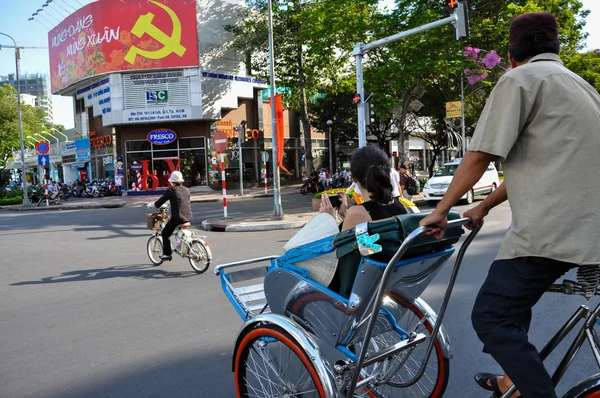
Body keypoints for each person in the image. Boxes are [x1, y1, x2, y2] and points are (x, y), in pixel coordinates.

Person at [420, 12, 600, 398]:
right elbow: (536, 164)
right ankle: (511, 378)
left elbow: (480, 154)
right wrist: (484, 205)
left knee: (491, 315)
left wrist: (441, 209)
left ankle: (527, 390)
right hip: (590, 228)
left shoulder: (518, 80)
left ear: (512, 53)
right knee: (512, 301)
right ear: (557, 47)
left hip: (554, 231)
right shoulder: (584, 87)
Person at [320, 146, 407, 296]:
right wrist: (344, 215)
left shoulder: (358, 213)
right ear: (387, 173)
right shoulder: (400, 207)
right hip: (388, 278)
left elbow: (336, 254)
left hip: (357, 286)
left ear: (354, 179)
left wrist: (327, 219)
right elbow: (367, 244)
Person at [150, 171, 192, 261]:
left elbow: (160, 201)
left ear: (172, 182)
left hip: (177, 218)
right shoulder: (186, 189)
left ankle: (167, 254)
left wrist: (153, 205)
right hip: (188, 216)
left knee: (165, 233)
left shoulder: (171, 190)